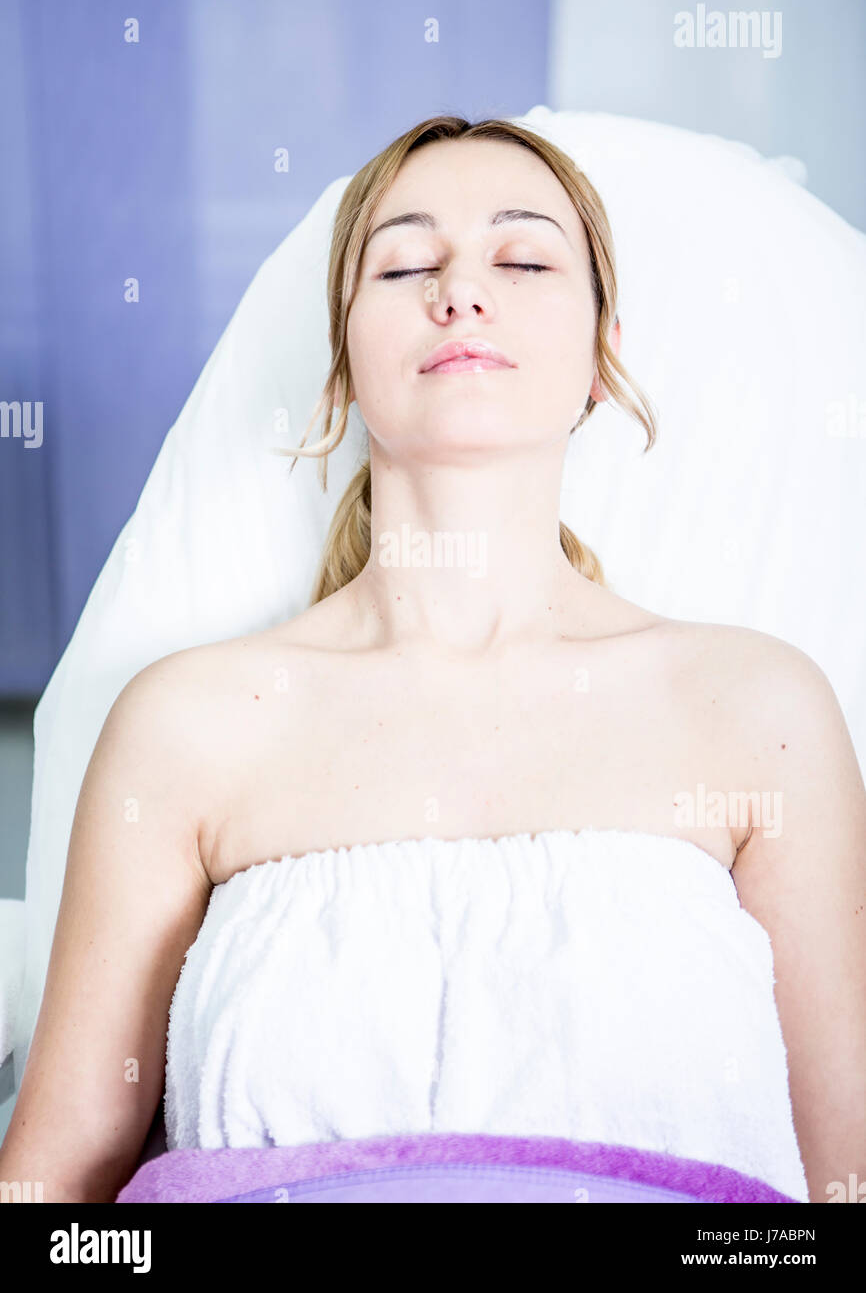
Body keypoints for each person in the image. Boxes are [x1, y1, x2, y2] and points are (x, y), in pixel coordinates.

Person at [1, 115, 863, 1204]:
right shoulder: (188, 727)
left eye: (522, 259)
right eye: (406, 262)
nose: (459, 292)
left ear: (599, 360)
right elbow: (53, 1185)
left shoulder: (758, 714)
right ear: (341, 372)